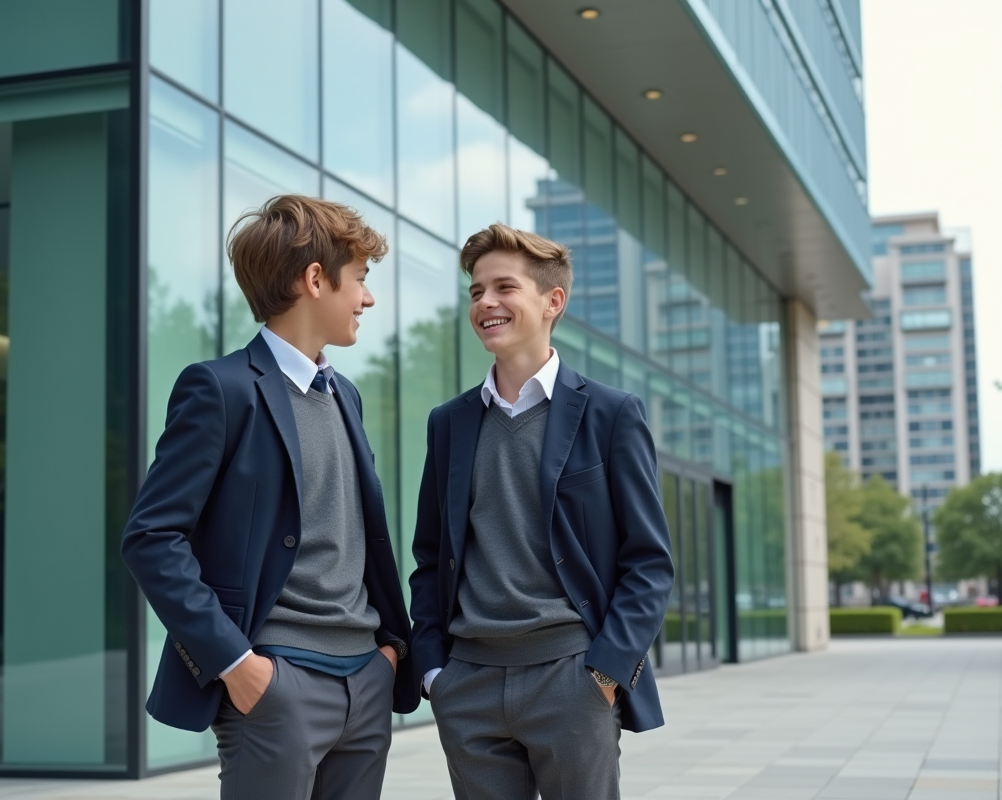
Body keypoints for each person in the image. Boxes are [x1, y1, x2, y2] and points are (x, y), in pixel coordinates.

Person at [122, 195, 417, 800]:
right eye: (359, 280)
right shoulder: (221, 389)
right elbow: (151, 539)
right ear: (315, 279)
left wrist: (385, 658)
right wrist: (237, 664)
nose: (367, 299)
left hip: (365, 680)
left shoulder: (347, 396)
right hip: (277, 683)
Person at [408, 223, 675, 800]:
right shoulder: (448, 423)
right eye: (476, 291)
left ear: (553, 301)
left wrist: (605, 671)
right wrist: (434, 670)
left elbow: (649, 562)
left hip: (571, 678)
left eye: (504, 287)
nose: (486, 303)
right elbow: (431, 557)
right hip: (469, 684)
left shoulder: (611, 414)